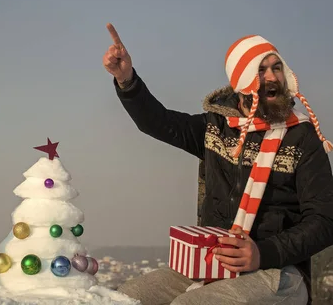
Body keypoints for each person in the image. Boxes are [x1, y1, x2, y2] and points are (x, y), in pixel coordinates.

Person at [102, 23, 333, 305]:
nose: (273, 77)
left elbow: (325, 219)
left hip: (279, 270)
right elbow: (158, 122)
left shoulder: (302, 138)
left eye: (277, 67)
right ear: (243, 80)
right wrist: (127, 80)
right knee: (125, 298)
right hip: (211, 262)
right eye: (261, 70)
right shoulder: (216, 128)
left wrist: (262, 252)